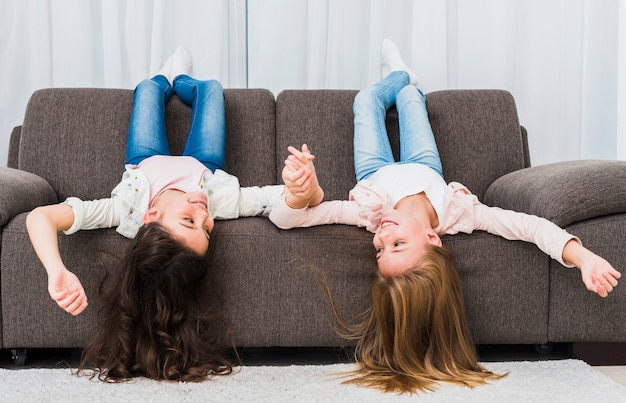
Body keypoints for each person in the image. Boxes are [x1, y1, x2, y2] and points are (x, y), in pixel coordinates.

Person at [270, 39, 621, 393]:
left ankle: (397, 75)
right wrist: (582, 257)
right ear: (432, 239)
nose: (381, 237)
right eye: (398, 244)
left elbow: (286, 219)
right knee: (409, 97)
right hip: (425, 164)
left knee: (365, 101)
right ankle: (404, 77)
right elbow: (528, 227)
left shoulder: (368, 214)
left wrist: (299, 195)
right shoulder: (461, 213)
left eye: (380, 251)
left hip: (374, 168)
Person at [25, 47, 316, 382]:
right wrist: (299, 189)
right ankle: (184, 80)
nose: (205, 216)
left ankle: (167, 78)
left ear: (151, 216)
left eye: (188, 221)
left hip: (145, 156)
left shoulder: (126, 209)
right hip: (203, 161)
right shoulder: (218, 202)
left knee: (149, 89)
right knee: (211, 90)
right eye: (206, 230)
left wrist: (56, 269)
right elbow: (277, 199)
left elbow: (41, 217)